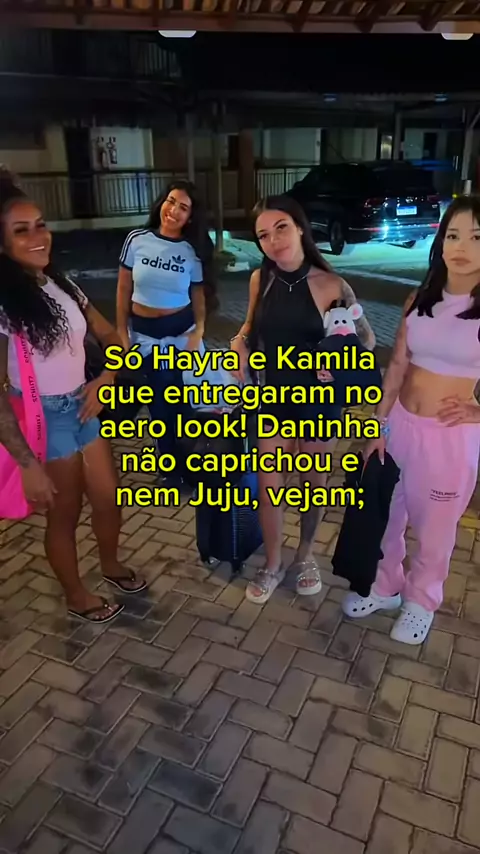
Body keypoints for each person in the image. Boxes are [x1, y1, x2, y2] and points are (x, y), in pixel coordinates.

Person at [0, 166, 146, 624]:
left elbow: (112, 337)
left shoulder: (61, 283)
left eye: (40, 224)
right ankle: (76, 596)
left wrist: (106, 379)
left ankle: (110, 565)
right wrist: (27, 464)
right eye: (21, 230)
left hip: (82, 406)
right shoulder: (4, 304)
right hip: (44, 419)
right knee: (64, 514)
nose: (37, 236)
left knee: (109, 498)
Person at [343, 195, 480, 645]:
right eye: (453, 235)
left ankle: (421, 600)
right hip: (401, 425)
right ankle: (386, 586)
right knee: (386, 513)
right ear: (441, 243)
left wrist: (477, 410)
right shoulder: (418, 300)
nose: (462, 247)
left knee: (434, 529)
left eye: (476, 237)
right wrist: (379, 425)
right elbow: (398, 365)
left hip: (450, 438)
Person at [230, 194, 375, 604]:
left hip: (318, 403)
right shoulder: (261, 279)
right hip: (273, 399)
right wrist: (240, 341)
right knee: (270, 487)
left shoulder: (331, 284)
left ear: (299, 228)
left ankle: (305, 556)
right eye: (263, 235)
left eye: (281, 228)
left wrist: (340, 365)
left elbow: (366, 340)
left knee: (312, 487)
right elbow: (250, 325)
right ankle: (274, 562)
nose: (273, 241)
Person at [116, 180, 215, 489]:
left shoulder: (191, 250)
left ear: (190, 217)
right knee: (159, 406)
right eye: (171, 201)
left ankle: (194, 466)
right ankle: (170, 469)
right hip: (145, 338)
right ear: (162, 202)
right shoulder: (137, 239)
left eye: (183, 207)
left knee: (187, 404)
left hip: (181, 334)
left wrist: (199, 331)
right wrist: (121, 332)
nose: (173, 210)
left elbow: (198, 295)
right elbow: (123, 288)